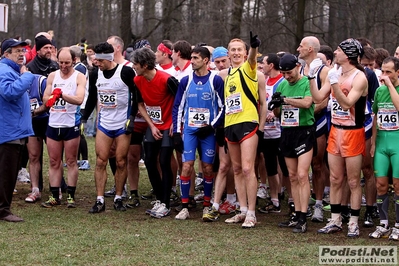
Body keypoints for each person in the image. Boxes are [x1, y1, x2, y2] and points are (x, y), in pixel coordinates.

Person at [310, 38, 368, 238]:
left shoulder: (360, 77)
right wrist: (311, 76)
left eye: (339, 49)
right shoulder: (334, 73)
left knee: (352, 181)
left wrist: (334, 84)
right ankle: (334, 220)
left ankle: (353, 221)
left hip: (353, 131)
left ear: (349, 54)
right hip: (335, 130)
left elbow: (346, 104)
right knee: (335, 178)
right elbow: (318, 98)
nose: (335, 52)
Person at [216, 32, 266, 228]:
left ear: (245, 53)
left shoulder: (250, 69)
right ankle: (242, 210)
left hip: (248, 123)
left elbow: (253, 59)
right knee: (236, 169)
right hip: (231, 124)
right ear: (228, 53)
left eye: (240, 50)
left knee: (247, 168)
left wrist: (254, 47)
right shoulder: (225, 74)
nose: (236, 53)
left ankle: (252, 213)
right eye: (233, 50)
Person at [172, 46, 224, 220]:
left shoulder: (215, 80)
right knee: (186, 166)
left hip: (207, 132)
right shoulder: (185, 81)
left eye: (195, 58)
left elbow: (223, 107)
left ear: (206, 61)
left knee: (208, 168)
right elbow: (178, 107)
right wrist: (178, 133)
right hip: (190, 131)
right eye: (191, 58)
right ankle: (185, 205)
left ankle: (207, 205)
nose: (192, 61)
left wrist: (212, 126)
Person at [87, 42, 138, 213]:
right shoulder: (96, 74)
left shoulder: (125, 72)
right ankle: (100, 199)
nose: (97, 64)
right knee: (101, 160)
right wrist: (83, 118)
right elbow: (92, 97)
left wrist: (132, 117)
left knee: (121, 161)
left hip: (122, 122)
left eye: (100, 61)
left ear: (108, 58)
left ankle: (118, 197)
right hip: (104, 123)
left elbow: (137, 95)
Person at [268, 54, 315, 233]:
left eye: (289, 72)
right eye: (283, 73)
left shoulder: (306, 83)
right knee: (293, 176)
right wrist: (276, 105)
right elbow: (279, 113)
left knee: (303, 175)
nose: (286, 76)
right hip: (287, 132)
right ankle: (296, 213)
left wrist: (286, 100)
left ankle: (304, 215)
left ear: (297, 66)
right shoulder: (281, 85)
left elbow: (307, 102)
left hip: (304, 131)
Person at [131, 47, 179, 218]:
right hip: (154, 126)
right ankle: (160, 198)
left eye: (135, 64)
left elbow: (180, 101)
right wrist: (151, 125)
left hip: (169, 126)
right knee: (150, 161)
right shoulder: (138, 80)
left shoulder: (167, 80)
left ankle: (166, 203)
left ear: (144, 65)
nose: (133, 67)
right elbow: (140, 104)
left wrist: (175, 122)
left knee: (164, 161)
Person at [41, 47, 86, 208]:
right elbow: (45, 97)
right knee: (54, 161)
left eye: (67, 62)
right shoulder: (52, 76)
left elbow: (79, 99)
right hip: (54, 124)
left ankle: (71, 196)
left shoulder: (79, 77)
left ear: (74, 60)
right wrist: (52, 97)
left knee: (71, 160)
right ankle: (54, 196)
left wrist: (62, 95)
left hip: (70, 124)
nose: (64, 66)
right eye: (60, 62)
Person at [0, 39, 35, 222]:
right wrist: (27, 77)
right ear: (6, 54)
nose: (21, 54)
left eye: (22, 50)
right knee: (7, 174)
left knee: (9, 172)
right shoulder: (5, 71)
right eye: (16, 51)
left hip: (14, 131)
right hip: (8, 132)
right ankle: (3, 210)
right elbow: (10, 92)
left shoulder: (13, 71)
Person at [297, 36, 329, 223]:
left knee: (317, 164)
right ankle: (301, 204)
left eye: (301, 46)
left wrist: (307, 109)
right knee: (299, 169)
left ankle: (318, 204)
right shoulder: (299, 68)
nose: (298, 48)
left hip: (317, 122)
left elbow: (323, 100)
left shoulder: (324, 71)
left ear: (310, 49)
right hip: (299, 123)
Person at [369, 56, 399, 240]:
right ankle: (383, 223)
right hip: (382, 142)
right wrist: (373, 143)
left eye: (389, 72)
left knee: (397, 185)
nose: (384, 75)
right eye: (383, 71)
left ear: (398, 72)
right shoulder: (379, 91)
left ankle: (397, 225)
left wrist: (389, 85)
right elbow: (375, 117)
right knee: (380, 184)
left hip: (397, 142)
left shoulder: (390, 88)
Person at [257, 53, 288, 214]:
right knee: (270, 167)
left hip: (281, 131)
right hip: (266, 132)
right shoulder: (264, 81)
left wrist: (275, 112)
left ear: (272, 65)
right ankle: (274, 199)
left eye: (264, 63)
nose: (261, 66)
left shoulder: (283, 82)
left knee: (286, 167)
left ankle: (292, 200)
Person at [25, 74, 48, 203]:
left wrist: (33, 112)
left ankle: (57, 189)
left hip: (47, 119)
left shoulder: (40, 81)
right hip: (31, 122)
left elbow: (48, 103)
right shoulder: (13, 83)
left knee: (54, 157)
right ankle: (35, 189)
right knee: (33, 156)